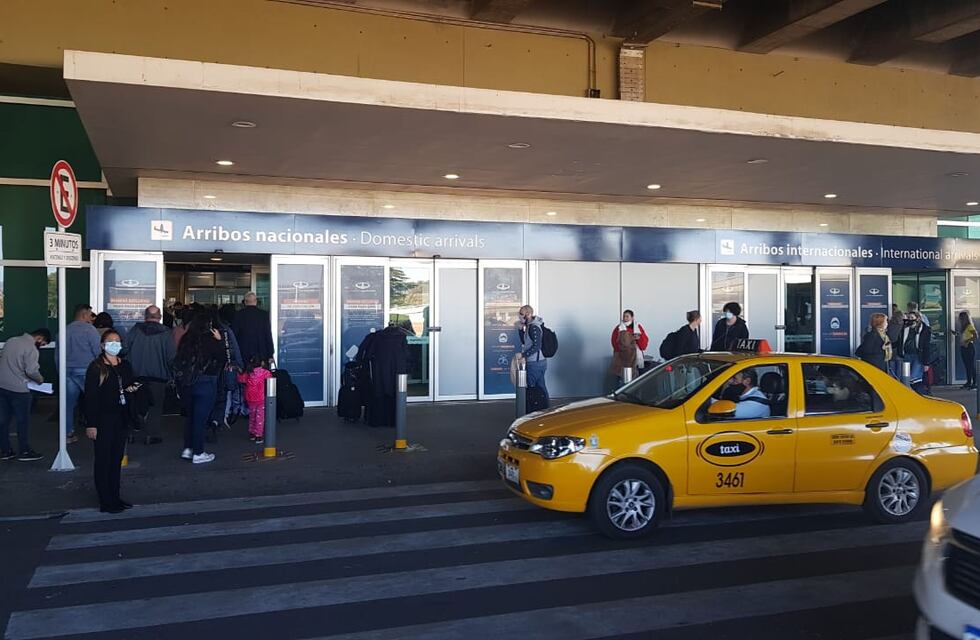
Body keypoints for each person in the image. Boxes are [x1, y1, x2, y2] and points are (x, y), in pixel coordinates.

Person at [83, 330, 137, 514]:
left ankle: (115, 495)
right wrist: (91, 424)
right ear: (102, 345)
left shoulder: (125, 365)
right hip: (103, 420)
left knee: (116, 459)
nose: (115, 344)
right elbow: (90, 397)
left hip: (121, 418)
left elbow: (132, 384)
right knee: (103, 460)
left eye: (118, 341)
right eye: (111, 341)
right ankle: (105, 499)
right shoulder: (97, 368)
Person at [173, 314, 224, 464]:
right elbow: (222, 358)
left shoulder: (186, 339)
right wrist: (219, 341)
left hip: (187, 384)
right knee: (200, 420)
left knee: (191, 417)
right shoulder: (211, 340)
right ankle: (198, 452)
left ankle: (188, 449)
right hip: (206, 383)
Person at [124, 305, 176, 445]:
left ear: (145, 316)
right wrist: (174, 374)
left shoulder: (135, 331)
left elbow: (124, 349)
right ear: (159, 317)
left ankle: (131, 433)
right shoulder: (166, 333)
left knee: (133, 405)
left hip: (136, 376)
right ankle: (151, 435)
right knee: (155, 406)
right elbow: (171, 357)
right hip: (158, 377)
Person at [0, 328, 51, 461]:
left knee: (3, 420)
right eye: (43, 343)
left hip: (2, 386)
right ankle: (24, 451)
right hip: (20, 390)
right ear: (40, 338)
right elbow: (31, 371)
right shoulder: (31, 348)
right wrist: (40, 380)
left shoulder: (11, 341)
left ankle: (5, 450)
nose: (42, 346)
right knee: (23, 421)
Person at [65, 303, 102, 444]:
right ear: (84, 314)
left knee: (68, 404)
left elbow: (58, 355)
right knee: (95, 400)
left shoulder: (65, 330)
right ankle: (97, 429)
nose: (91, 318)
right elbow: (97, 351)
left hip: (67, 370)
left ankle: (68, 433)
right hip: (86, 370)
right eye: (90, 314)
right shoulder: (89, 330)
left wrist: (60, 371)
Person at [515, 305, 548, 409]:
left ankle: (532, 411)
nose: (519, 316)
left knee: (531, 388)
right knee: (541, 387)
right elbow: (526, 342)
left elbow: (537, 346)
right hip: (538, 362)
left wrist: (523, 355)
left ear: (528, 314)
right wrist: (521, 330)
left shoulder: (534, 327)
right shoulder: (530, 326)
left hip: (535, 363)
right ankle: (545, 410)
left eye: (521, 314)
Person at [238, 356, 273, 443]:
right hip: (260, 398)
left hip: (250, 398)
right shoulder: (265, 372)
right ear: (262, 363)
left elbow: (241, 379)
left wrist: (239, 372)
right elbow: (271, 378)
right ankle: (258, 435)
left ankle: (252, 433)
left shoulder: (248, 372)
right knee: (260, 417)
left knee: (252, 416)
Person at [232, 292, 274, 365]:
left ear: (245, 302)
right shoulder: (263, 315)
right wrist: (270, 354)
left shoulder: (238, 314)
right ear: (256, 301)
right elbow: (268, 334)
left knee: (245, 376)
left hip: (243, 352)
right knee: (261, 375)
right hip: (261, 354)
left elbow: (234, 334)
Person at [898, 311, 932, 390]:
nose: (910, 320)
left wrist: (926, 363)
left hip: (918, 355)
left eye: (912, 318)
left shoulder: (924, 330)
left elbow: (926, 346)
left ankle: (919, 393)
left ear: (918, 318)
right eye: (909, 318)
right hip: (906, 354)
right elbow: (901, 341)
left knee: (914, 377)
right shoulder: (905, 328)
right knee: (906, 377)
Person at [886, 305, 905, 379]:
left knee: (892, 368)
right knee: (900, 369)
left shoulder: (889, 325)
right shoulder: (903, 326)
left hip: (890, 349)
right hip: (899, 349)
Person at [959, 311, 977, 390]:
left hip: (969, 347)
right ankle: (968, 382)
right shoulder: (963, 327)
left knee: (971, 365)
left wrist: (967, 341)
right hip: (963, 347)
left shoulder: (969, 326)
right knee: (966, 365)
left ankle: (975, 382)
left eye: (960, 318)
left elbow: (975, 336)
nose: (959, 320)